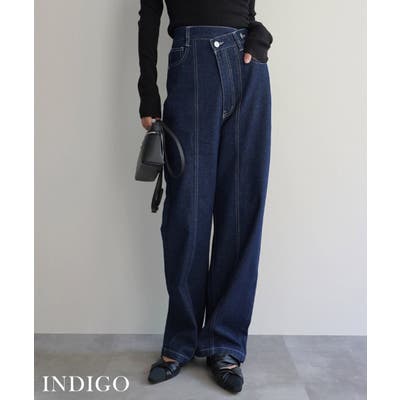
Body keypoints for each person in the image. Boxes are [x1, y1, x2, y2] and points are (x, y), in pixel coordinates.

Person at [137, 0, 272, 393]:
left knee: (241, 210)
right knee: (186, 214)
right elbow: (149, 15)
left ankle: (225, 344)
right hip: (191, 63)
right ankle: (180, 342)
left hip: (248, 69)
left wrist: (259, 39)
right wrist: (148, 93)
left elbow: (247, 13)